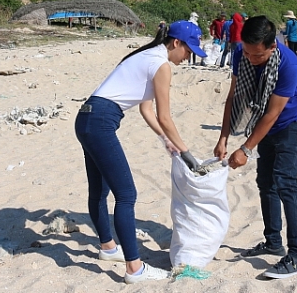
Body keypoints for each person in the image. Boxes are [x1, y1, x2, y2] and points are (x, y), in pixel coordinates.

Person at [75, 21, 206, 284]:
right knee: (127, 195)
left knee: (100, 192)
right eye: (189, 50)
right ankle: (134, 269)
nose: (189, 57)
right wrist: (186, 151)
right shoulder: (161, 64)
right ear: (176, 43)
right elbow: (165, 117)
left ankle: (108, 248)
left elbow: (147, 110)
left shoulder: (147, 55)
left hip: (86, 118)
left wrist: (164, 141)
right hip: (100, 122)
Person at [213, 15, 297, 279]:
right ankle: (273, 242)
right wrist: (223, 137)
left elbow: (274, 113)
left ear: (272, 47)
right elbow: (233, 96)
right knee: (265, 181)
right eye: (247, 52)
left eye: (257, 56)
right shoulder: (241, 54)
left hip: (293, 120)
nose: (251, 59)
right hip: (263, 119)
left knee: (285, 181)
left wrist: (245, 149)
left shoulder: (288, 63)